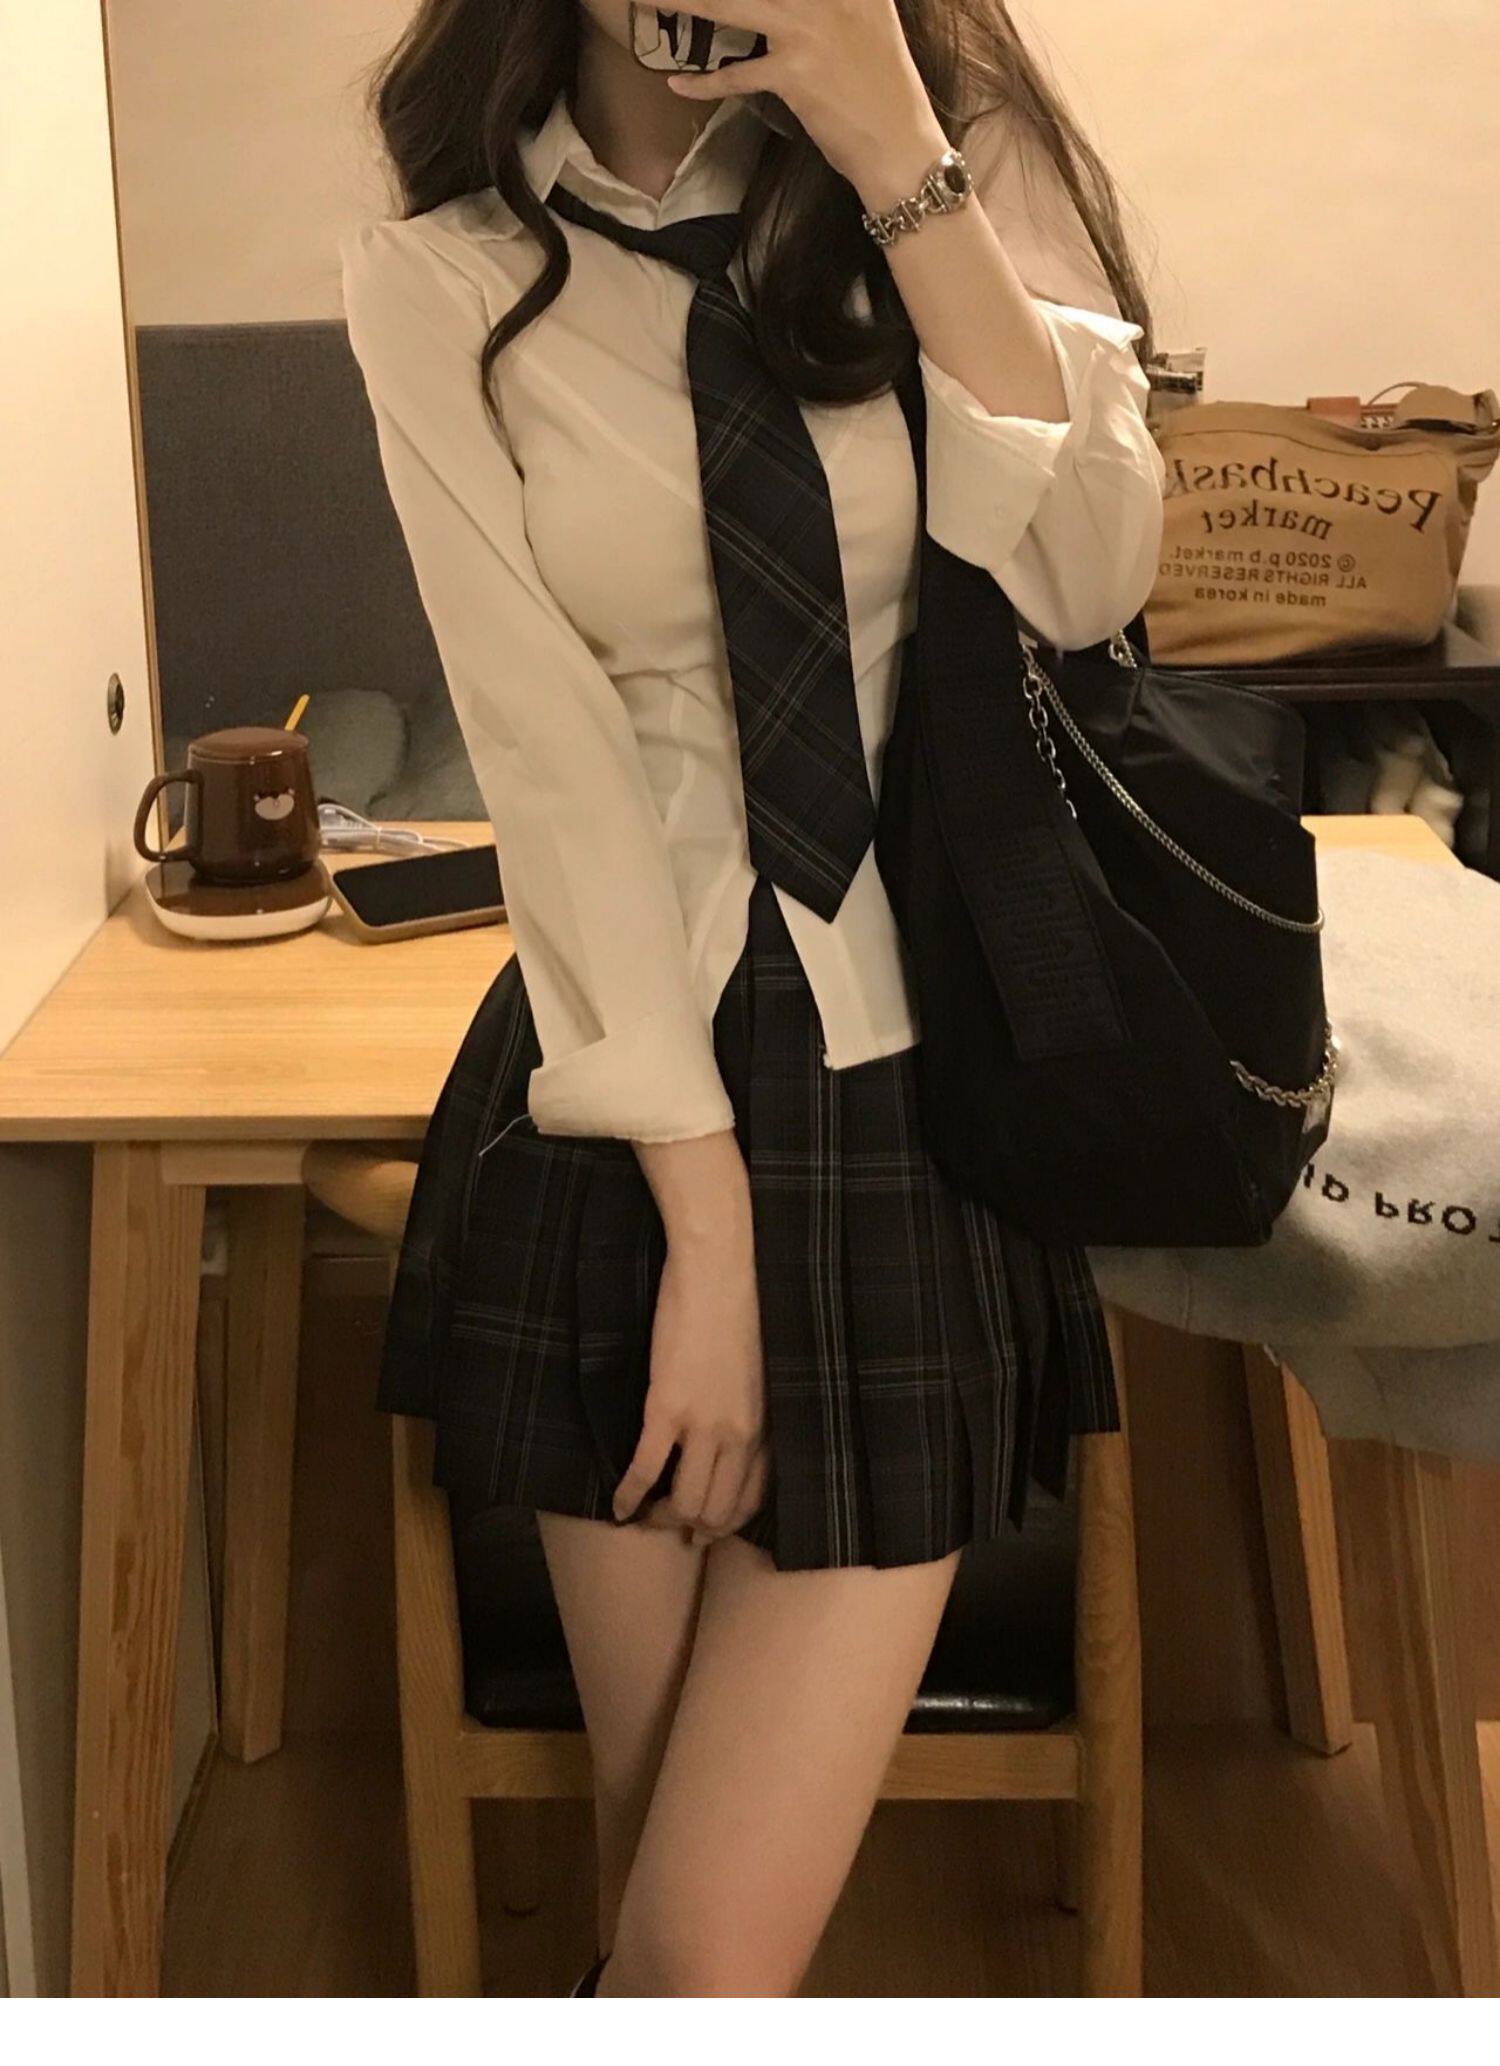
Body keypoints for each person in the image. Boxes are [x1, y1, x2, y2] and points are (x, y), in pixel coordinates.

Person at [341, 0, 1166, 1998]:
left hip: (903, 1089)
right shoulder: (445, 269)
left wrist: (894, 151)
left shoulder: (951, 157)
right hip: (624, 1092)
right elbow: (544, 756)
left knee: (699, 1958)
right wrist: (704, 1229)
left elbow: (1094, 576)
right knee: (667, 1908)